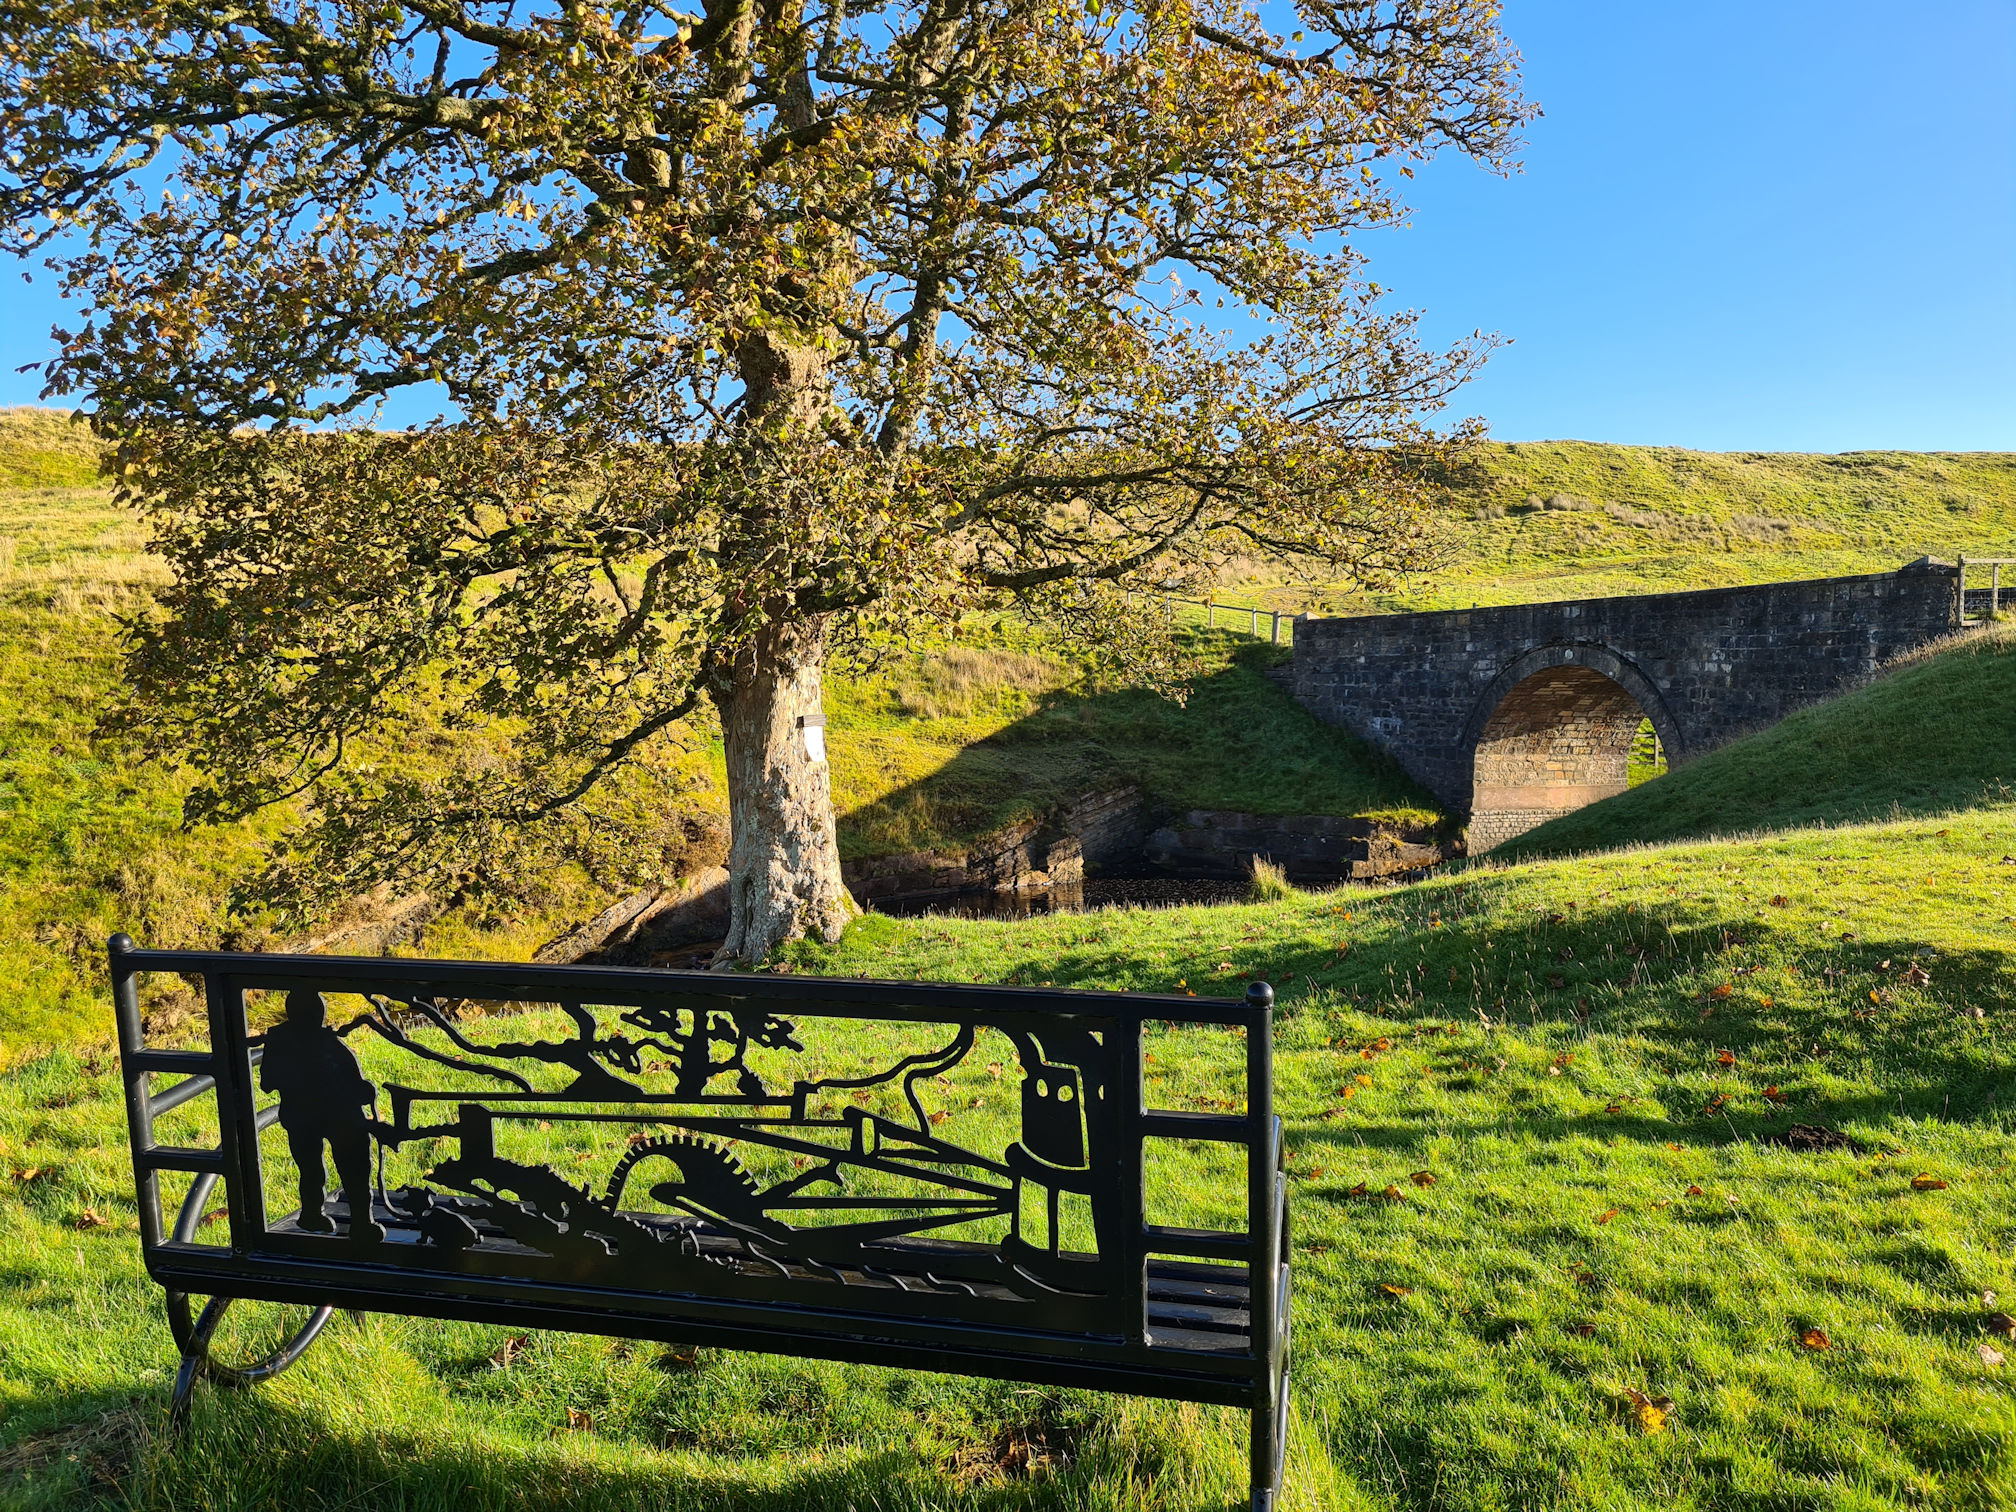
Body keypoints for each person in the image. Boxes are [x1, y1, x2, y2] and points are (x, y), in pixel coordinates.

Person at [258, 989, 385, 1242]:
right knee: (340, 1167)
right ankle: (348, 1219)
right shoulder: (304, 1042)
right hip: (328, 1115)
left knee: (325, 1168)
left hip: (305, 1115)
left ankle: (341, 1218)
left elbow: (268, 1082)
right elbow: (269, 1081)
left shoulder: (286, 1042)